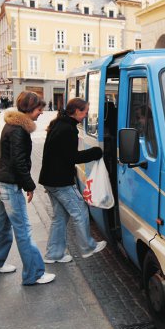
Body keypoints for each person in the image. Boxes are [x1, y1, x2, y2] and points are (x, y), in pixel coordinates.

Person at [0, 91, 55, 285]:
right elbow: (18, 162)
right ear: (30, 108)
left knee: (3, 226)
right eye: (39, 109)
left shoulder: (12, 125)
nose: (41, 112)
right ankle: (34, 274)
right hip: (9, 184)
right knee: (23, 229)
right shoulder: (18, 130)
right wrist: (29, 186)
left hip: (2, 182)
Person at [39, 98, 106, 263]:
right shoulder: (68, 129)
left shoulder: (59, 124)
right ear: (76, 111)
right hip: (60, 181)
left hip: (50, 179)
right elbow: (72, 157)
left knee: (60, 217)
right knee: (80, 210)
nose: (86, 115)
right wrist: (95, 152)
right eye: (84, 112)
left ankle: (54, 254)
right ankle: (88, 247)